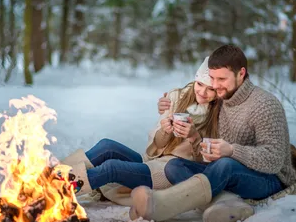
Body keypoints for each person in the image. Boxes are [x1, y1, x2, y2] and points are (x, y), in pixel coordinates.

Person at [129, 44, 296, 222]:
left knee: (226, 164)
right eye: (212, 79)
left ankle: (161, 205)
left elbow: (274, 161)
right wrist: (167, 102)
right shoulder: (222, 99)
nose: (215, 86)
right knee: (175, 166)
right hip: (226, 172)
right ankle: (226, 204)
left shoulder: (265, 104)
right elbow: (193, 97)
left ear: (241, 74)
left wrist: (232, 151)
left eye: (221, 79)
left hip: (267, 179)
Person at [60, 57, 221, 203]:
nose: (202, 92)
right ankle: (52, 176)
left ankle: (58, 191)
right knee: (106, 146)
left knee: (112, 168)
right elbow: (156, 146)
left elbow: (203, 166)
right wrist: (165, 130)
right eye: (199, 84)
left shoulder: (218, 116)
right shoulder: (177, 97)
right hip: (151, 162)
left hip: (166, 172)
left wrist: (193, 137)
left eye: (210, 89)